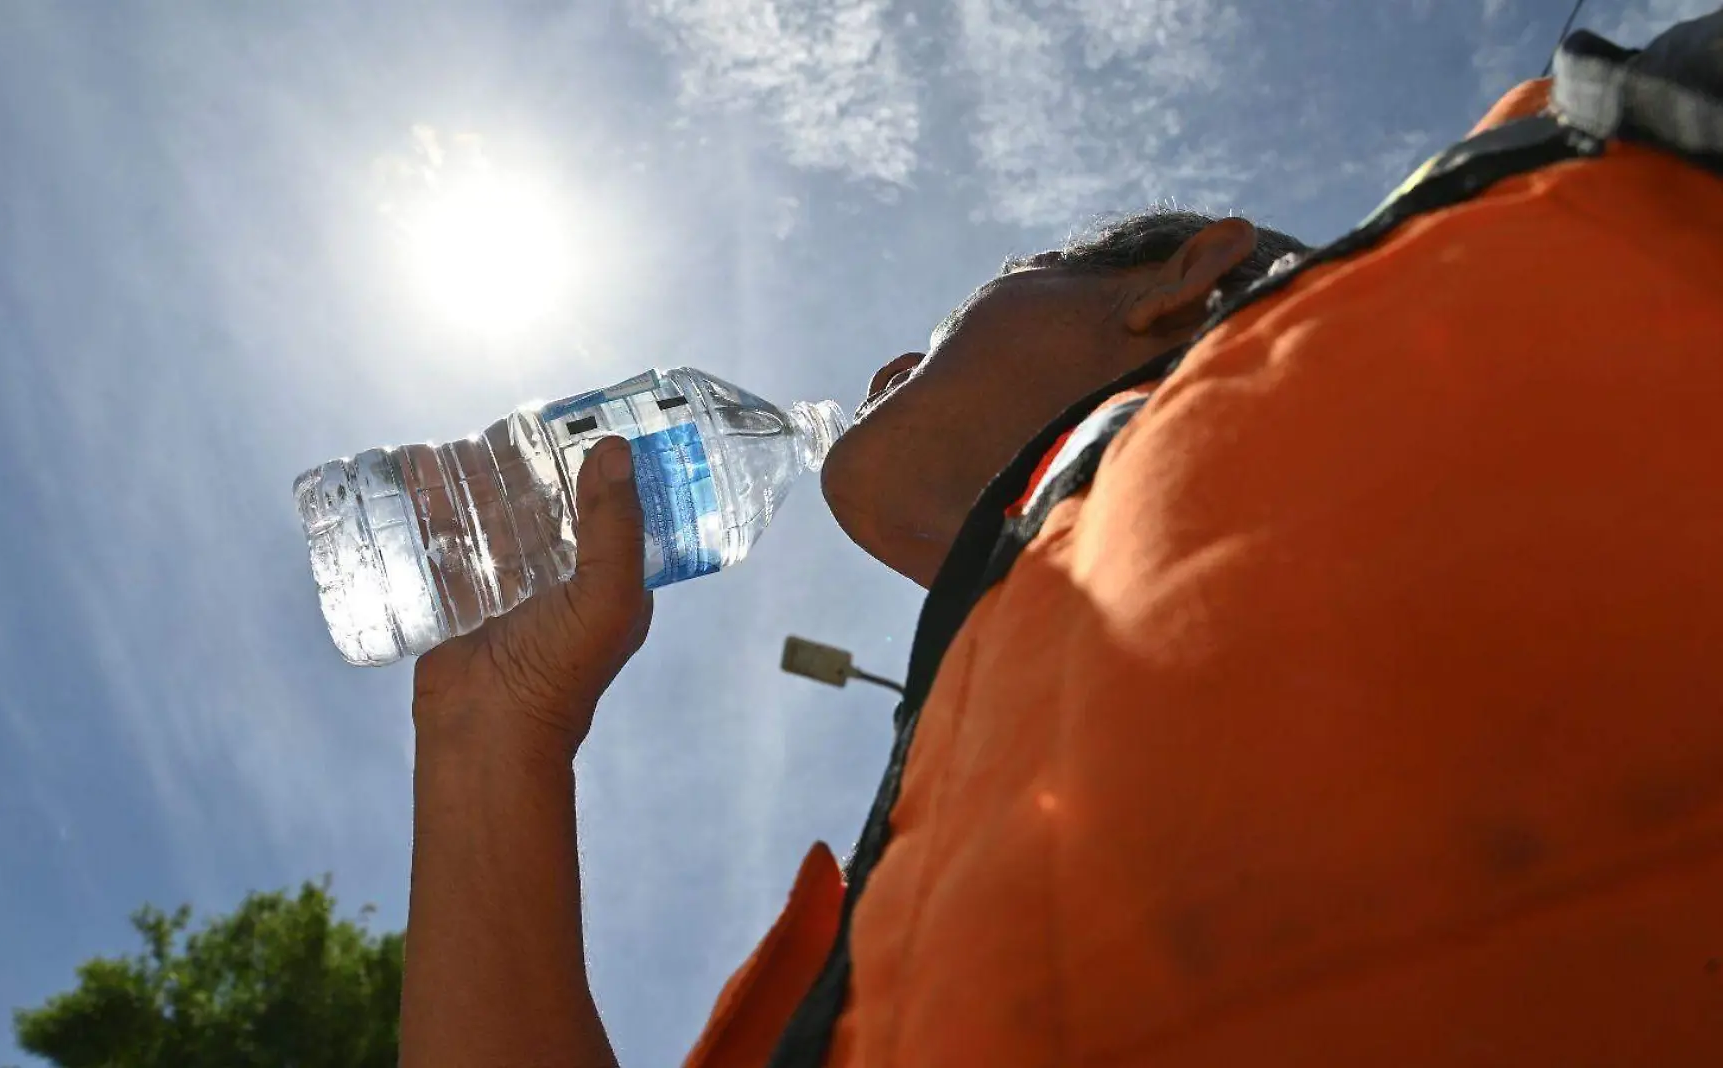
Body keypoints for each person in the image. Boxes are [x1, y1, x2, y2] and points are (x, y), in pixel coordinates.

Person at [400, 12, 1723, 1067]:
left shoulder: (1570, 227)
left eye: (969, 300)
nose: (895, 357)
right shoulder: (879, 914)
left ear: (1182, 283)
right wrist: (488, 732)